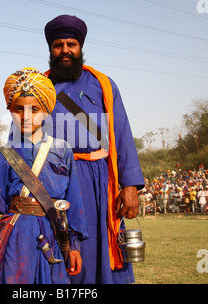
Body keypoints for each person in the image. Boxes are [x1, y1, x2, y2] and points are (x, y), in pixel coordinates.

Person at [43, 15, 145, 284]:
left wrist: (131, 186)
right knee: (55, 252)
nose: (65, 50)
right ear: (50, 49)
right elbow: (23, 139)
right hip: (53, 182)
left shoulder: (102, 84)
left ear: (80, 48)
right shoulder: (37, 86)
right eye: (58, 45)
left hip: (96, 182)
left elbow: (121, 134)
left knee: (96, 251)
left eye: (71, 44)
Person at [0, 68, 88, 284]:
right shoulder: (0, 156)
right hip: (18, 237)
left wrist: (73, 246)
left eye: (33, 109)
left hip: (54, 235)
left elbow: (74, 202)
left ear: (46, 111)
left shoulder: (62, 150)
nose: (25, 116)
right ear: (10, 110)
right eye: (18, 109)